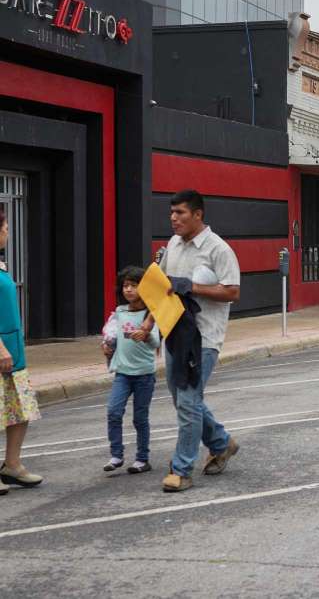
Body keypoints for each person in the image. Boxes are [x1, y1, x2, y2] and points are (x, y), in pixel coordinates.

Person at [156, 189, 241, 493]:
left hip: (203, 338)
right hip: (174, 334)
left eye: (180, 212)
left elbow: (232, 291)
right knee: (183, 400)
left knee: (188, 401)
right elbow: (162, 285)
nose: (173, 218)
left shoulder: (218, 249)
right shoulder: (173, 245)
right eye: (172, 212)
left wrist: (192, 287)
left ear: (197, 214)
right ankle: (221, 443)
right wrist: (150, 324)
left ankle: (182, 470)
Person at [101, 266, 161, 474]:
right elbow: (112, 336)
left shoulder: (150, 314)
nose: (128, 289)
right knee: (113, 412)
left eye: (134, 285)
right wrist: (106, 345)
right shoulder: (120, 312)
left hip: (144, 375)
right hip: (123, 373)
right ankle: (116, 455)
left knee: (140, 418)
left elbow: (155, 343)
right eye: (125, 285)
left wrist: (146, 335)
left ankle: (142, 459)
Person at [0, 207, 43, 494]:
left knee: (20, 410)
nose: (7, 232)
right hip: (2, 350)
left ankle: (12, 465)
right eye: (4, 227)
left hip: (13, 353)